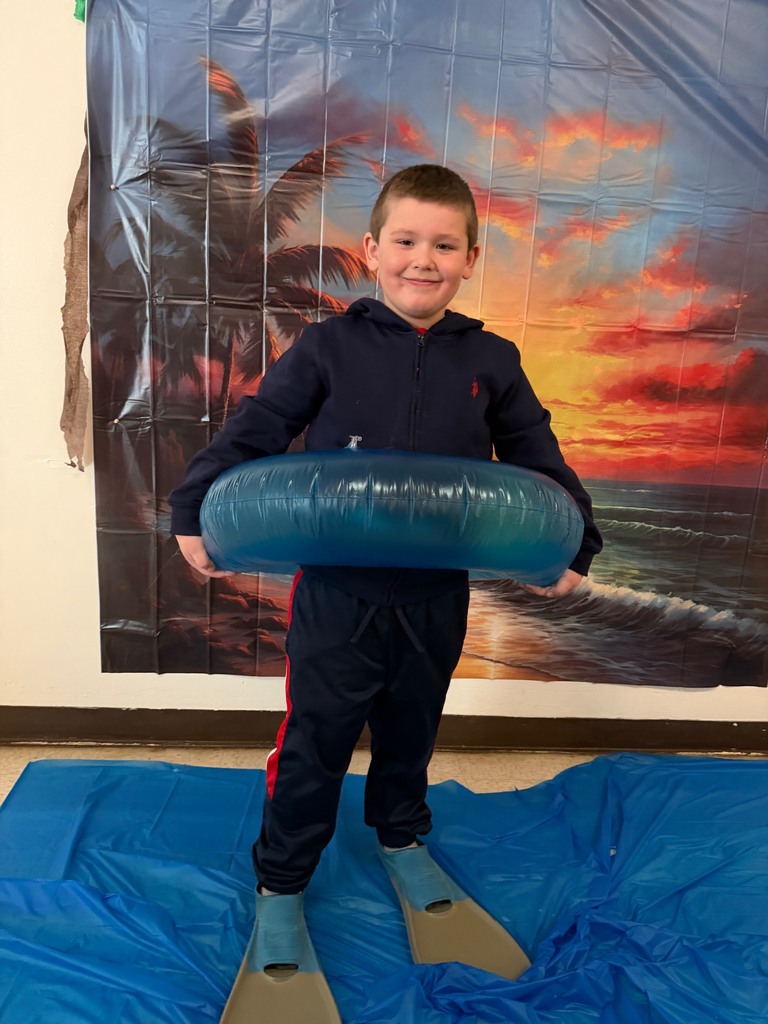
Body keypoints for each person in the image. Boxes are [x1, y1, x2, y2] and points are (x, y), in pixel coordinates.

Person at [169, 163, 602, 925]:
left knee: (413, 728)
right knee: (316, 738)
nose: (422, 260)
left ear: (470, 258)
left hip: (435, 592)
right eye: (405, 241)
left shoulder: (492, 360)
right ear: (372, 250)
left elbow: (537, 454)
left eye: (444, 245)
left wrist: (574, 544)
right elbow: (259, 426)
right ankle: (282, 881)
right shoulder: (328, 344)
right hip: (339, 591)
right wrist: (192, 506)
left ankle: (401, 838)